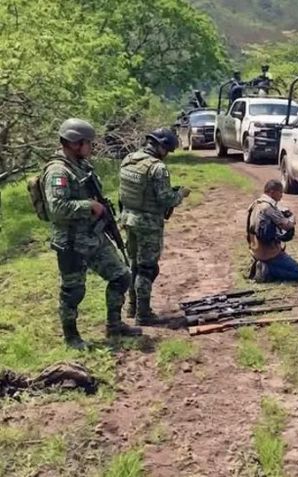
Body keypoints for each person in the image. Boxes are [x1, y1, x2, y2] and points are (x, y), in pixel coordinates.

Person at [42, 119, 142, 348]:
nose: (92, 147)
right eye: (89, 143)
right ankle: (72, 337)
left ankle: (114, 325)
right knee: (73, 292)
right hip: (71, 242)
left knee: (121, 276)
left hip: (93, 236)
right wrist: (89, 206)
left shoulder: (82, 165)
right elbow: (56, 208)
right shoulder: (58, 171)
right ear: (76, 143)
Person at [119, 128, 190, 324]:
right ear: (160, 146)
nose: (167, 154)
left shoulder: (129, 159)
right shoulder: (157, 168)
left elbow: (124, 193)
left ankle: (131, 308)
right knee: (146, 269)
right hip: (148, 225)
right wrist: (181, 194)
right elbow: (166, 198)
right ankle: (143, 314)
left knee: (133, 265)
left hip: (128, 219)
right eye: (167, 150)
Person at [246, 179, 298, 283]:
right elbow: (287, 226)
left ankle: (262, 265)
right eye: (280, 192)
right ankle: (266, 270)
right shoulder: (269, 208)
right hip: (268, 253)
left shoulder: (255, 204)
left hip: (255, 249)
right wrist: (292, 219)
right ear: (272, 192)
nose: (281, 195)